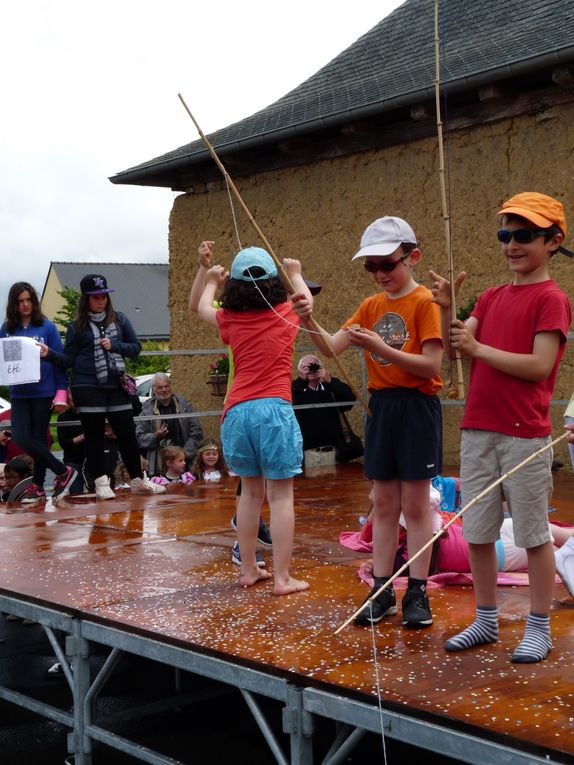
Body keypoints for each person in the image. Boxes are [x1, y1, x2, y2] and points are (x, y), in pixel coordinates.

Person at [430, 192, 572, 663]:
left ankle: (538, 627)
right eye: (505, 234)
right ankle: (486, 619)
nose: (512, 244)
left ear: (554, 242)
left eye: (524, 235)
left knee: (533, 534)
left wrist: (477, 348)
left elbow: (539, 365)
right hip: (477, 430)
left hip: (524, 434)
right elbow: (455, 348)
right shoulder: (489, 297)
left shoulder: (553, 299)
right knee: (478, 530)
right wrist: (447, 308)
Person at [293, 216, 443, 628]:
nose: (379, 275)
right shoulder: (370, 306)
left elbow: (431, 364)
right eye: (370, 267)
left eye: (387, 265)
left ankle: (417, 590)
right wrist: (308, 317)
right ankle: (381, 590)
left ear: (412, 257)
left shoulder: (427, 302)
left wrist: (380, 348)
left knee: (415, 504)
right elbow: (330, 347)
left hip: (416, 406)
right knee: (382, 502)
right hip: (382, 407)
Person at [197, 246, 312, 595]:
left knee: (249, 494)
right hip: (273, 410)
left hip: (236, 412)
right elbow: (307, 299)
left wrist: (213, 281)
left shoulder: (228, 319)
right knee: (279, 497)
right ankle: (282, 578)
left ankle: (248, 570)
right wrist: (294, 271)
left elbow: (202, 307)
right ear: (271, 282)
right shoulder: (286, 312)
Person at [39, 273, 165, 500]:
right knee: (94, 436)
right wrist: (48, 354)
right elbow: (68, 360)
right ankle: (101, 483)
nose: (101, 300)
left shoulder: (121, 319)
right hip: (87, 386)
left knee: (126, 433)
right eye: (96, 297)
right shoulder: (76, 326)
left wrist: (115, 345)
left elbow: (135, 348)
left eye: (104, 296)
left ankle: (138, 480)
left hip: (116, 385)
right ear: (86, 298)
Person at [0, 282, 76, 503]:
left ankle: (39, 487)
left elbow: (61, 362)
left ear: (34, 301)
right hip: (19, 391)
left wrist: (61, 391)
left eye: (29, 300)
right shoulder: (7, 329)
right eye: (20, 301)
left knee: (39, 439)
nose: (25, 304)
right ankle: (63, 471)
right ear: (14, 304)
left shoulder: (47, 327)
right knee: (22, 435)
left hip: (43, 391)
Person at [135, 373, 203, 474]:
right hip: (158, 467)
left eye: (166, 386)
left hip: (185, 464)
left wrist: (183, 454)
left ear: (170, 386)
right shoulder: (147, 409)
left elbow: (197, 432)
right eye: (160, 387)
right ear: (154, 389)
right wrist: (155, 436)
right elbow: (138, 437)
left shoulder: (184, 405)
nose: (164, 390)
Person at [291, 355, 357, 459]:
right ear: (299, 369)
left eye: (314, 366)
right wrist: (301, 381)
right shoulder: (296, 388)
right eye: (306, 367)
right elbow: (288, 405)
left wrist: (328, 379)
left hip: (333, 447)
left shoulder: (330, 388)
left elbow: (350, 398)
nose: (311, 369)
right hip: (305, 449)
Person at [56, 389, 87, 495]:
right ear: (69, 401)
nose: (76, 404)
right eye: (73, 401)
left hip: (92, 459)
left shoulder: (90, 414)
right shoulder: (63, 417)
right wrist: (83, 437)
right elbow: (63, 443)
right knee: (76, 494)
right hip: (74, 461)